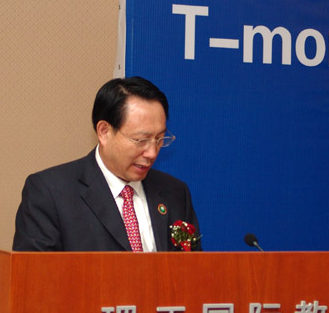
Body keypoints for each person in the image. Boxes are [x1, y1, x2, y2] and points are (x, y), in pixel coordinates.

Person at [13, 76, 200, 252]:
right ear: (104, 132)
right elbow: (36, 272)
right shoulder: (50, 193)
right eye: (141, 140)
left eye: (159, 139)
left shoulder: (175, 192)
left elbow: (193, 268)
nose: (152, 153)